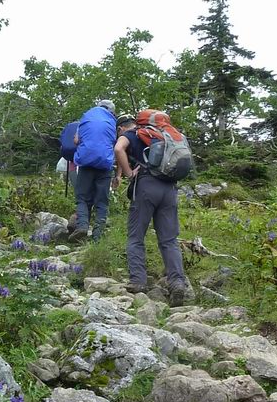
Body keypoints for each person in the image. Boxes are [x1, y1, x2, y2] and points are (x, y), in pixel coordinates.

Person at [115, 110, 188, 305]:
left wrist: (129, 173)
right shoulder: (170, 135)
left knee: (136, 236)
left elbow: (118, 149)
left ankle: (138, 281)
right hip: (170, 189)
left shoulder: (134, 134)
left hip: (147, 186)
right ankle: (177, 283)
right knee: (169, 240)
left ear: (140, 122)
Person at [70, 99, 117, 241]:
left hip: (86, 162)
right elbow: (115, 143)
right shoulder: (112, 121)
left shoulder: (87, 117)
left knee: (82, 198)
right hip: (105, 164)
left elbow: (76, 141)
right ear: (111, 111)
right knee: (102, 201)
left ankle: (83, 226)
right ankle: (97, 236)